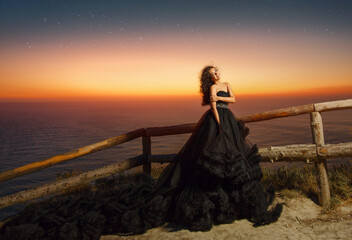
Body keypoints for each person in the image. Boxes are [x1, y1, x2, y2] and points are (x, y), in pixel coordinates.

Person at [0, 65, 282, 240]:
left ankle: (234, 202)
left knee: (232, 162)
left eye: (218, 71)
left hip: (229, 120)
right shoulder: (212, 90)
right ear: (209, 76)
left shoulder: (224, 85)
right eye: (214, 73)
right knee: (209, 163)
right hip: (217, 123)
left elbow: (232, 98)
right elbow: (214, 107)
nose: (218, 74)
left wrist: (223, 98)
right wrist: (219, 123)